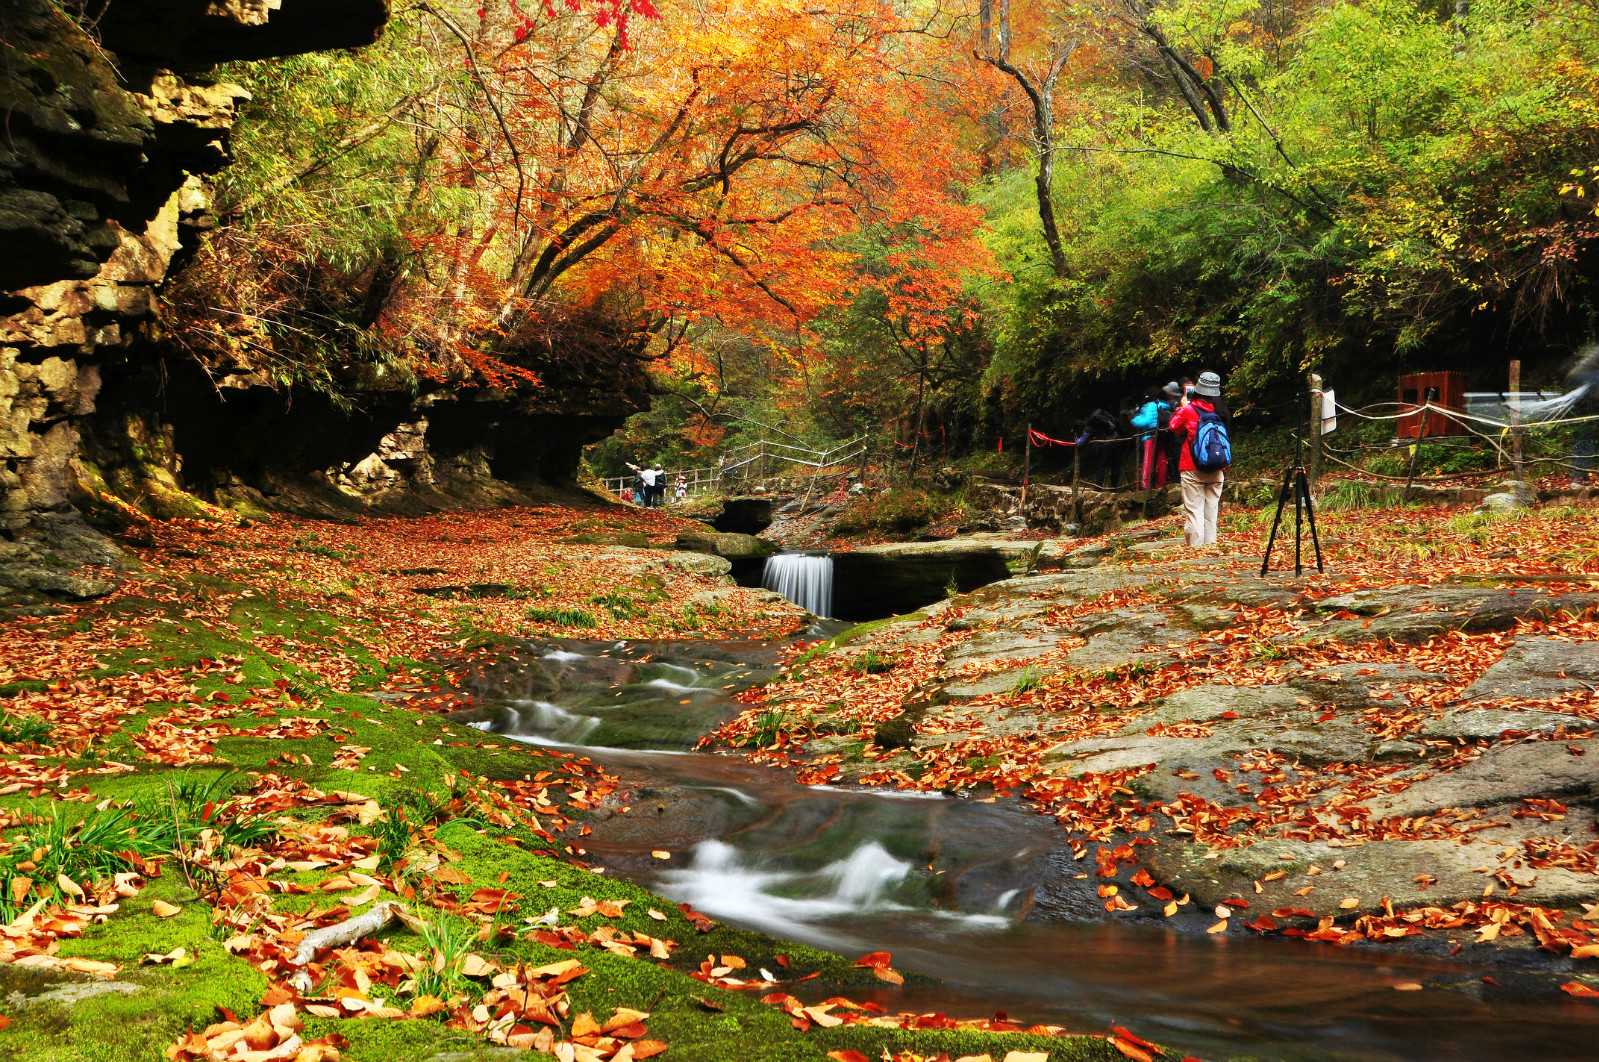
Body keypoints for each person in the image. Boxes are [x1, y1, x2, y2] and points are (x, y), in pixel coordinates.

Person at [1169, 371, 1231, 548]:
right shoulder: (1221, 411)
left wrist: (1182, 407)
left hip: (1191, 467)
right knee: (1211, 512)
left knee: (1195, 512)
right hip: (1217, 468)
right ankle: (1210, 548)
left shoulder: (1189, 409)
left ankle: (1196, 552)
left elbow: (1174, 427)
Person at [1131, 382, 1180, 490]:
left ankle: (1145, 484)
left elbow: (1145, 421)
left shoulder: (1149, 406)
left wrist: (1134, 418)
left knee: (1148, 460)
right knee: (1161, 459)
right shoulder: (1164, 405)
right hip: (1163, 435)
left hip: (1150, 436)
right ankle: (1160, 484)